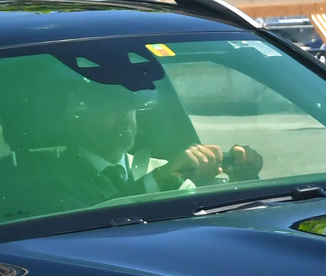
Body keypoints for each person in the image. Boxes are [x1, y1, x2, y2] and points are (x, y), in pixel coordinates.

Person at [61, 84, 263, 202]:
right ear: (77, 118)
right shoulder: (48, 180)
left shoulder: (159, 168)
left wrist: (242, 179)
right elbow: (98, 219)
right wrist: (161, 178)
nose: (124, 116)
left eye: (129, 106)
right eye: (109, 108)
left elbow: (215, 217)